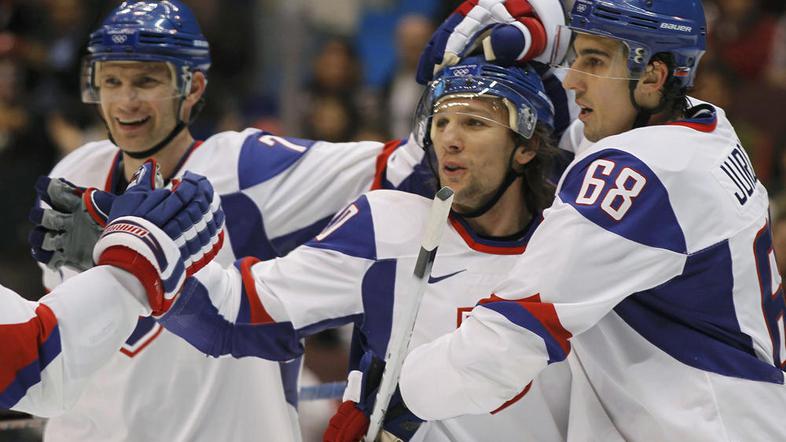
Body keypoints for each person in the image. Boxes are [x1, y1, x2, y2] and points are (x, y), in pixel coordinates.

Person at [30, 1, 568, 440]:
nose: (125, 101)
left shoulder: (250, 166)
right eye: (112, 81)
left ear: (192, 88)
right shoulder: (75, 171)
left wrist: (525, 53)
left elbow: (404, 168)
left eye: (146, 81)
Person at [396, 1, 786, 440]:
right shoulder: (705, 128)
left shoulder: (640, 174)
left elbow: (514, 333)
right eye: (575, 56)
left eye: (594, 61)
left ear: (655, 76)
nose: (573, 80)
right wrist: (544, 46)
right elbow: (586, 137)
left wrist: (404, 392)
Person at [2, 161, 223, 418]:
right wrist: (131, 262)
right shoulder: (79, 164)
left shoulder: (243, 161)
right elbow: (38, 367)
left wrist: (116, 264)